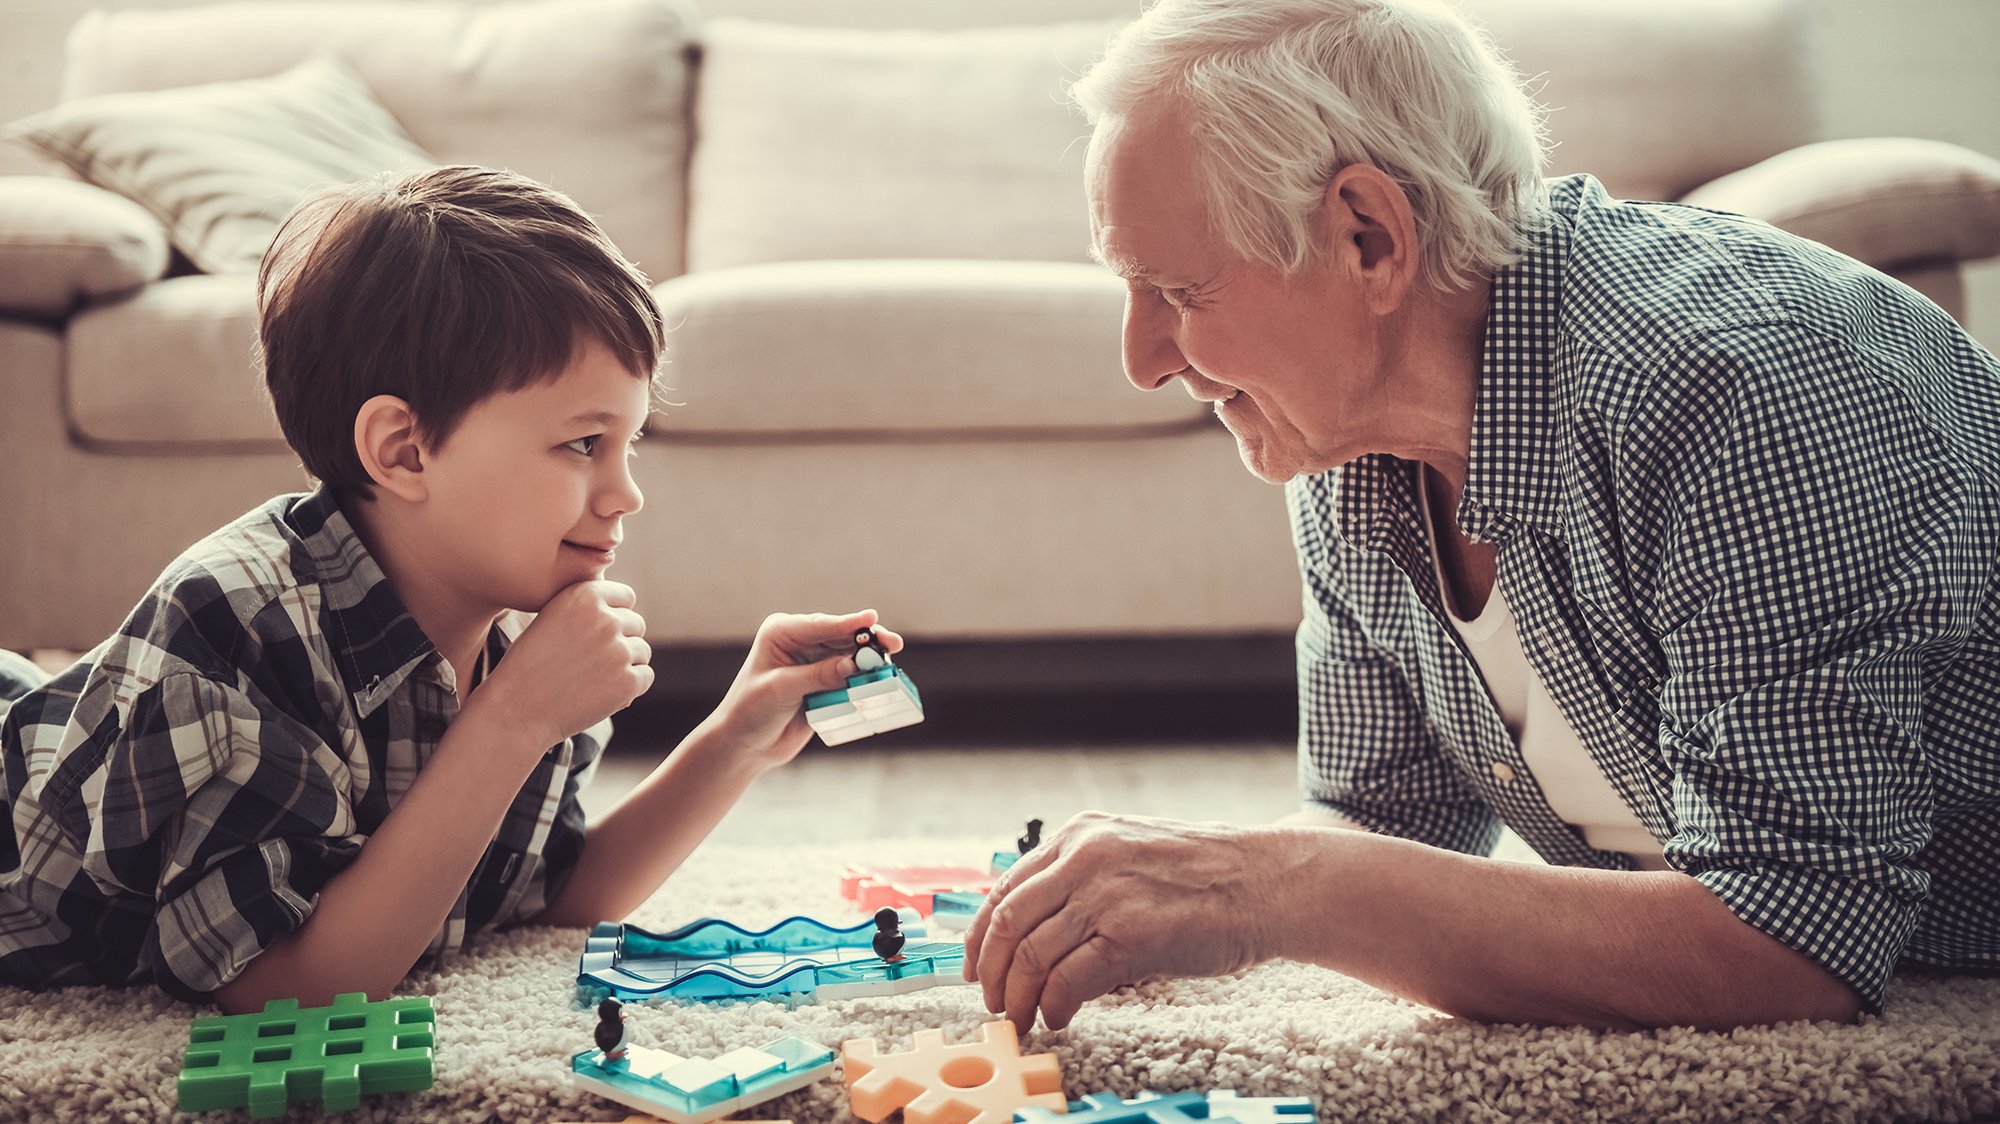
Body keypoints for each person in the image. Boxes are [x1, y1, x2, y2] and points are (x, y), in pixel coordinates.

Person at [964, 0, 2000, 1033]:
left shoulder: (1734, 388)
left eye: (1176, 288)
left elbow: (1791, 942)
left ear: (1367, 237)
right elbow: (1381, 819)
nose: (1141, 361)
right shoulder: (1344, 442)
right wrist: (1175, 891)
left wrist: (1267, 884)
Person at [0, 165, 902, 1012]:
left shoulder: (515, 633)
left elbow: (548, 895)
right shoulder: (238, 621)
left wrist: (735, 738)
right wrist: (508, 723)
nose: (627, 494)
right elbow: (281, 988)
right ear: (404, 451)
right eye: (584, 444)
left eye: (628, 445)